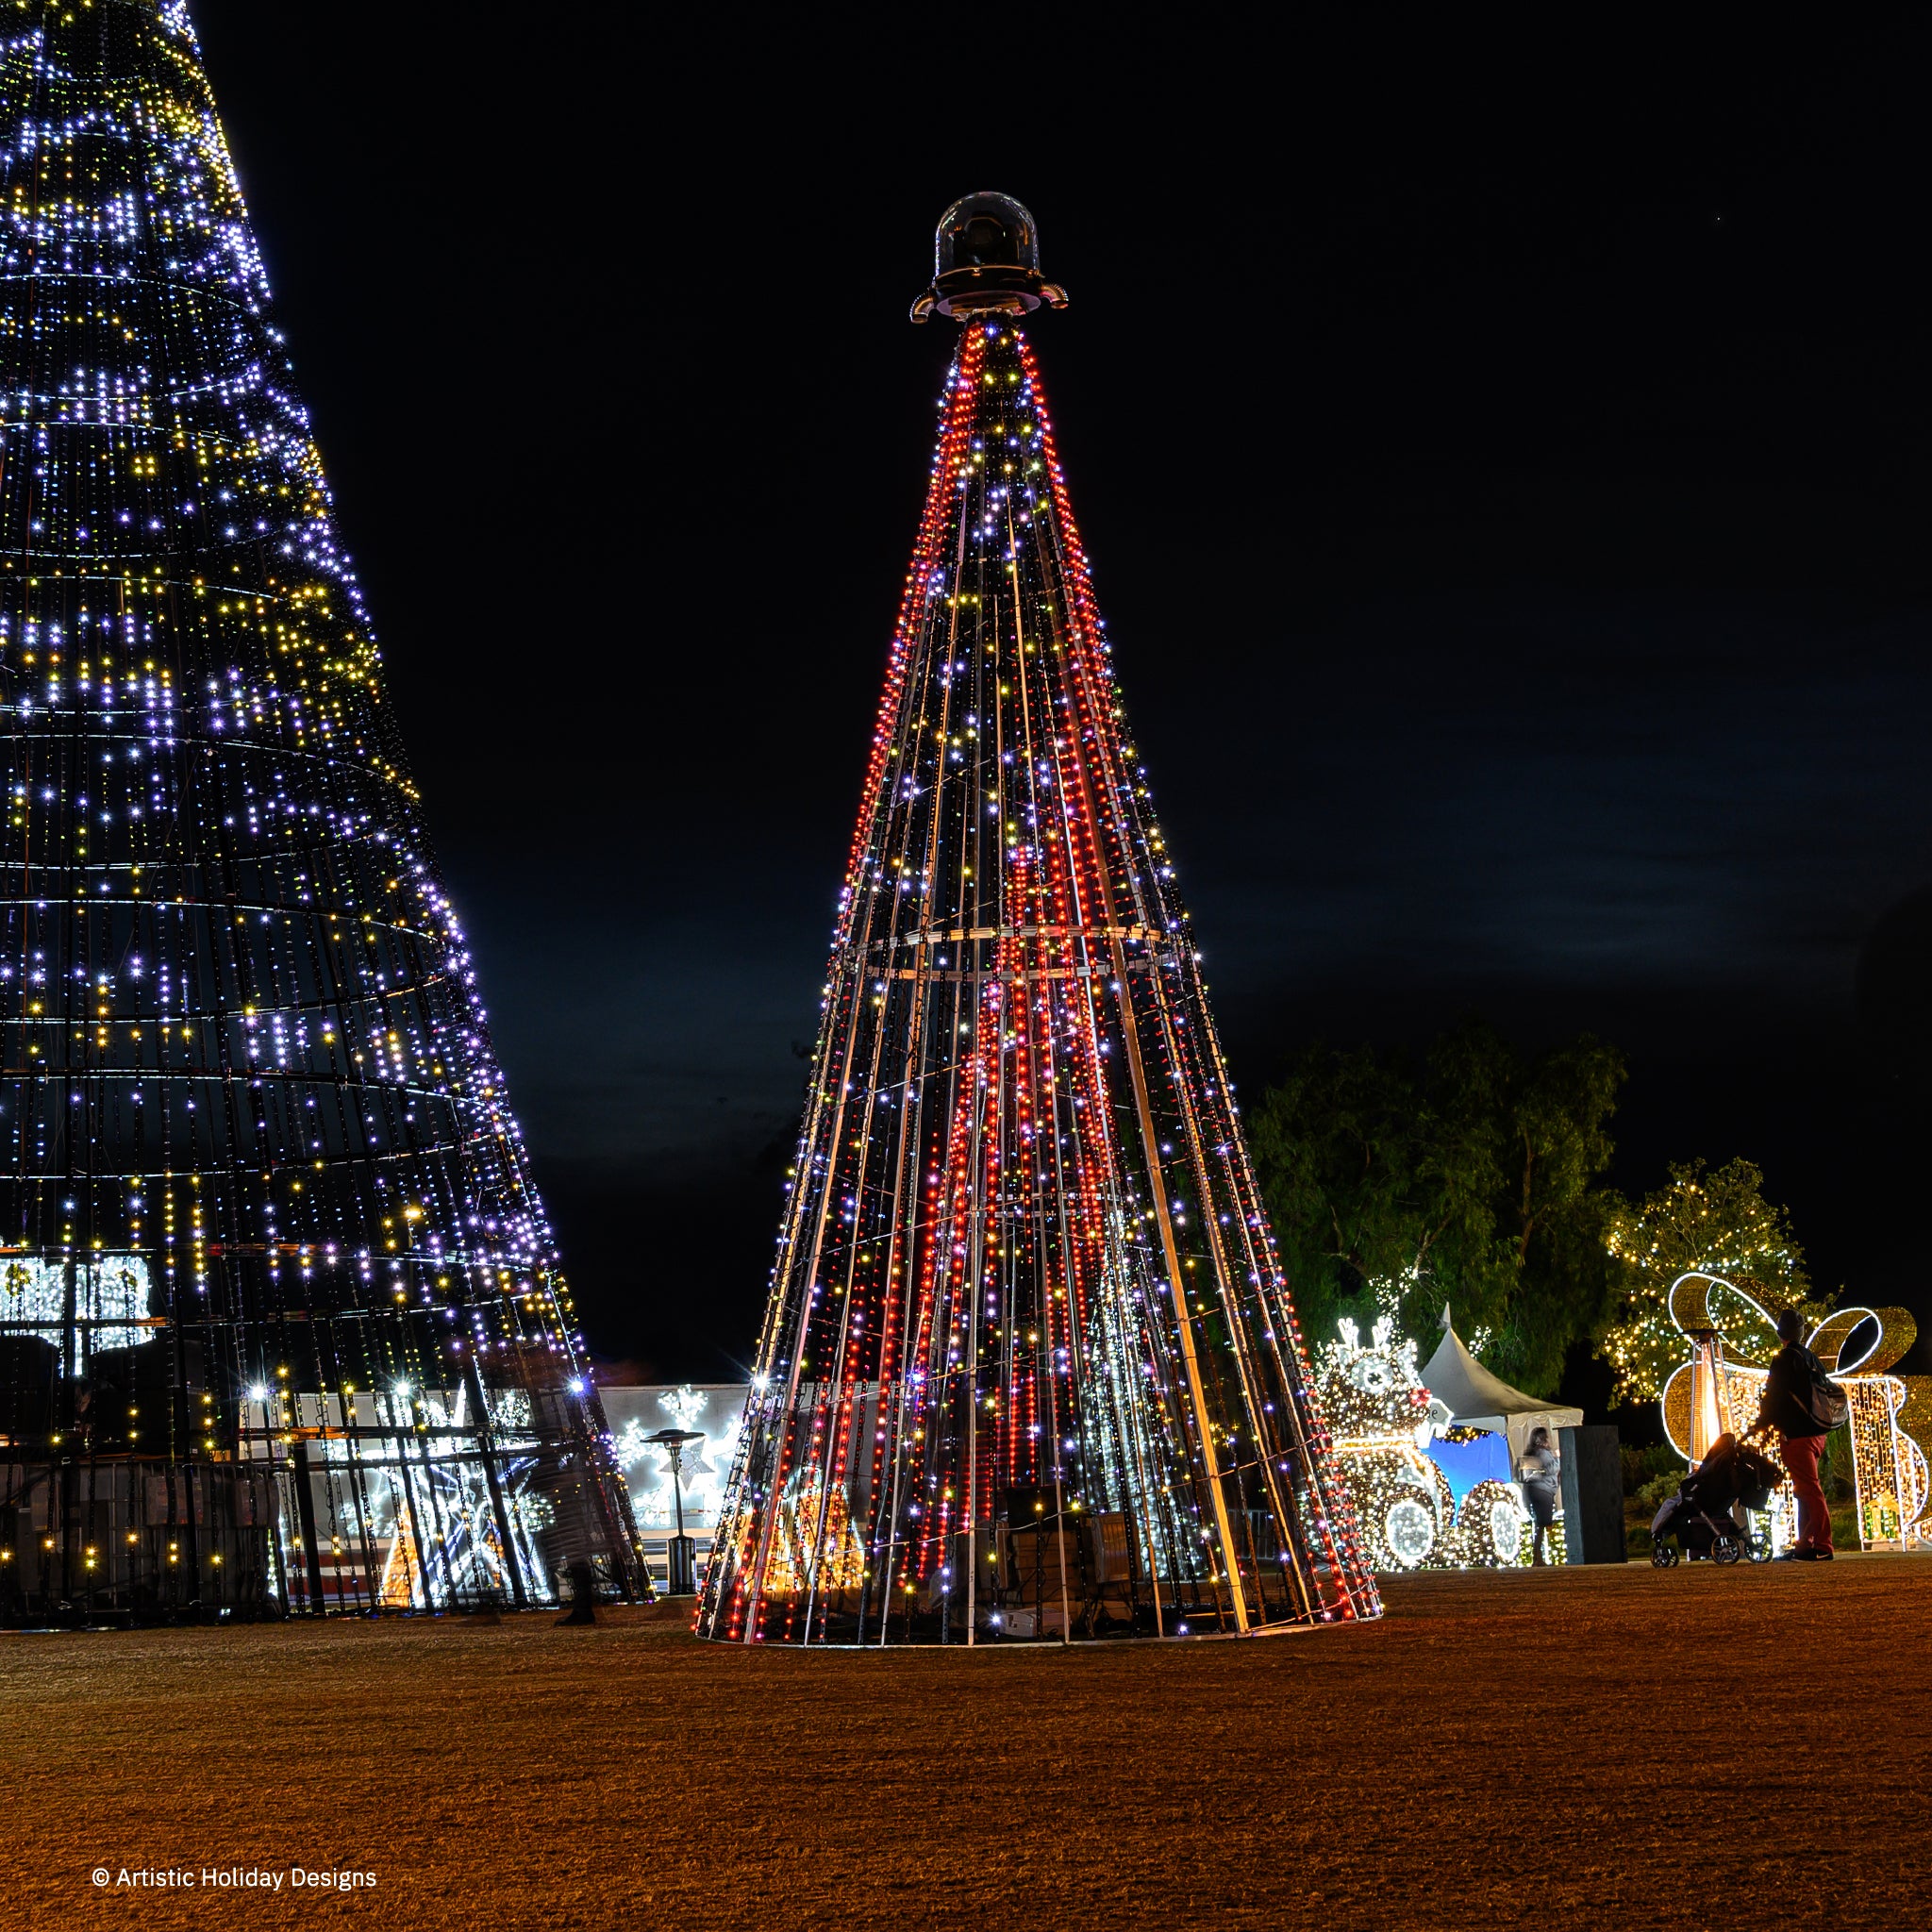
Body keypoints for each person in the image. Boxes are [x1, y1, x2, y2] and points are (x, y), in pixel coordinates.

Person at [1757, 1307, 1835, 1561]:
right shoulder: (1812, 1359)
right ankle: (1805, 1545)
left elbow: (1774, 1397)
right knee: (1804, 1490)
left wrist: (1761, 1424)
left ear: (1781, 1334)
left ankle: (1823, 1546)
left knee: (1809, 1490)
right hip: (1817, 1434)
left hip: (1797, 1436)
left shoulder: (1783, 1360)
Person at [1519, 1425, 1560, 1566]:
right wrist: (1557, 1457)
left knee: (1540, 1525)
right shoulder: (1542, 1452)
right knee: (1543, 1525)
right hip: (1544, 1491)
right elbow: (1552, 1469)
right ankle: (1538, 1557)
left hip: (1533, 1490)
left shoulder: (1531, 1452)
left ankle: (1537, 1556)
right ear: (1543, 1438)